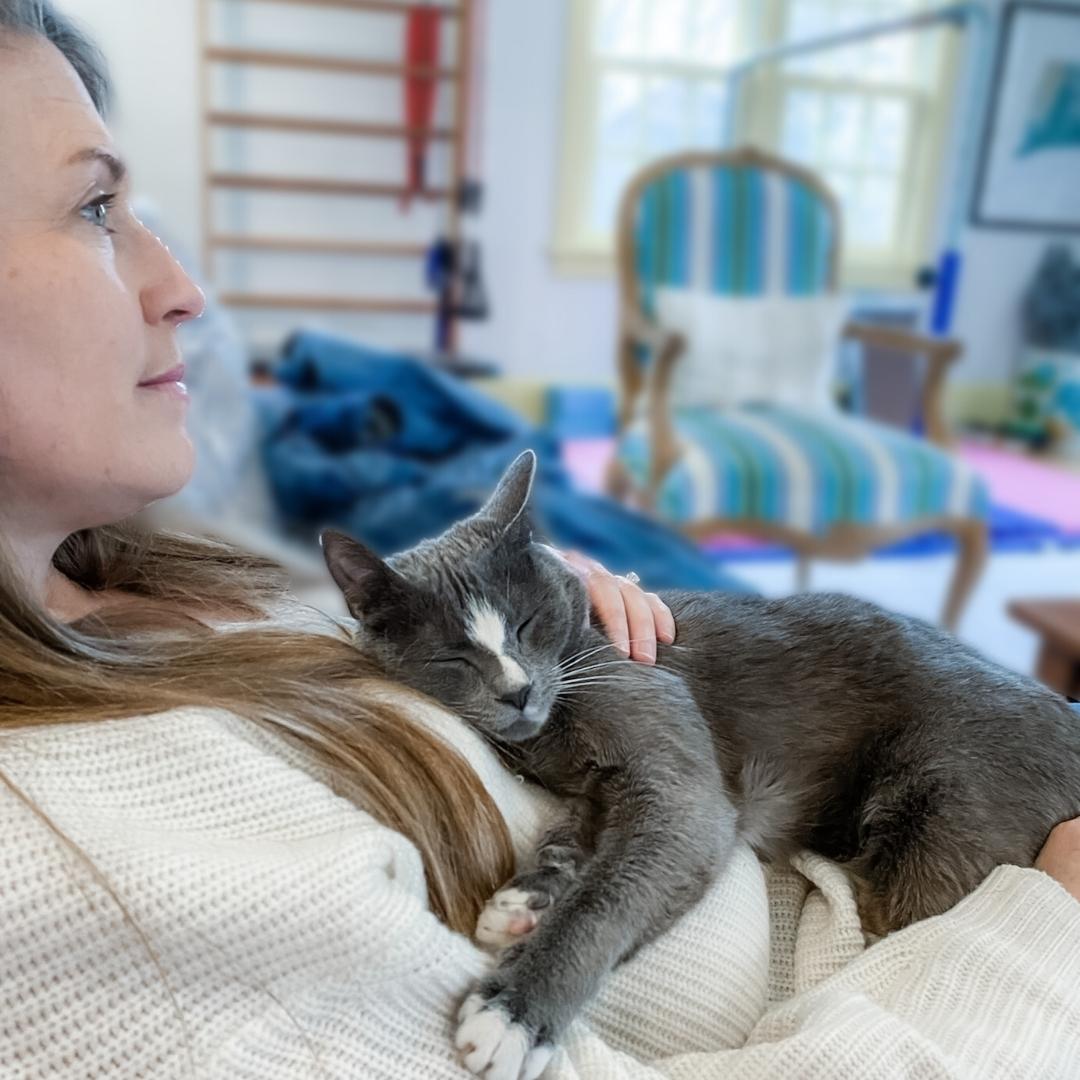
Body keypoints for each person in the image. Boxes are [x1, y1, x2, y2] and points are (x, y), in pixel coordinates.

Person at [1, 3, 1079, 1077]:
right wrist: (1046, 931)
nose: (185, 288)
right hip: (964, 979)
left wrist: (561, 620)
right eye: (96, 206)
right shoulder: (75, 870)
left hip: (873, 807)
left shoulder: (114, 572)